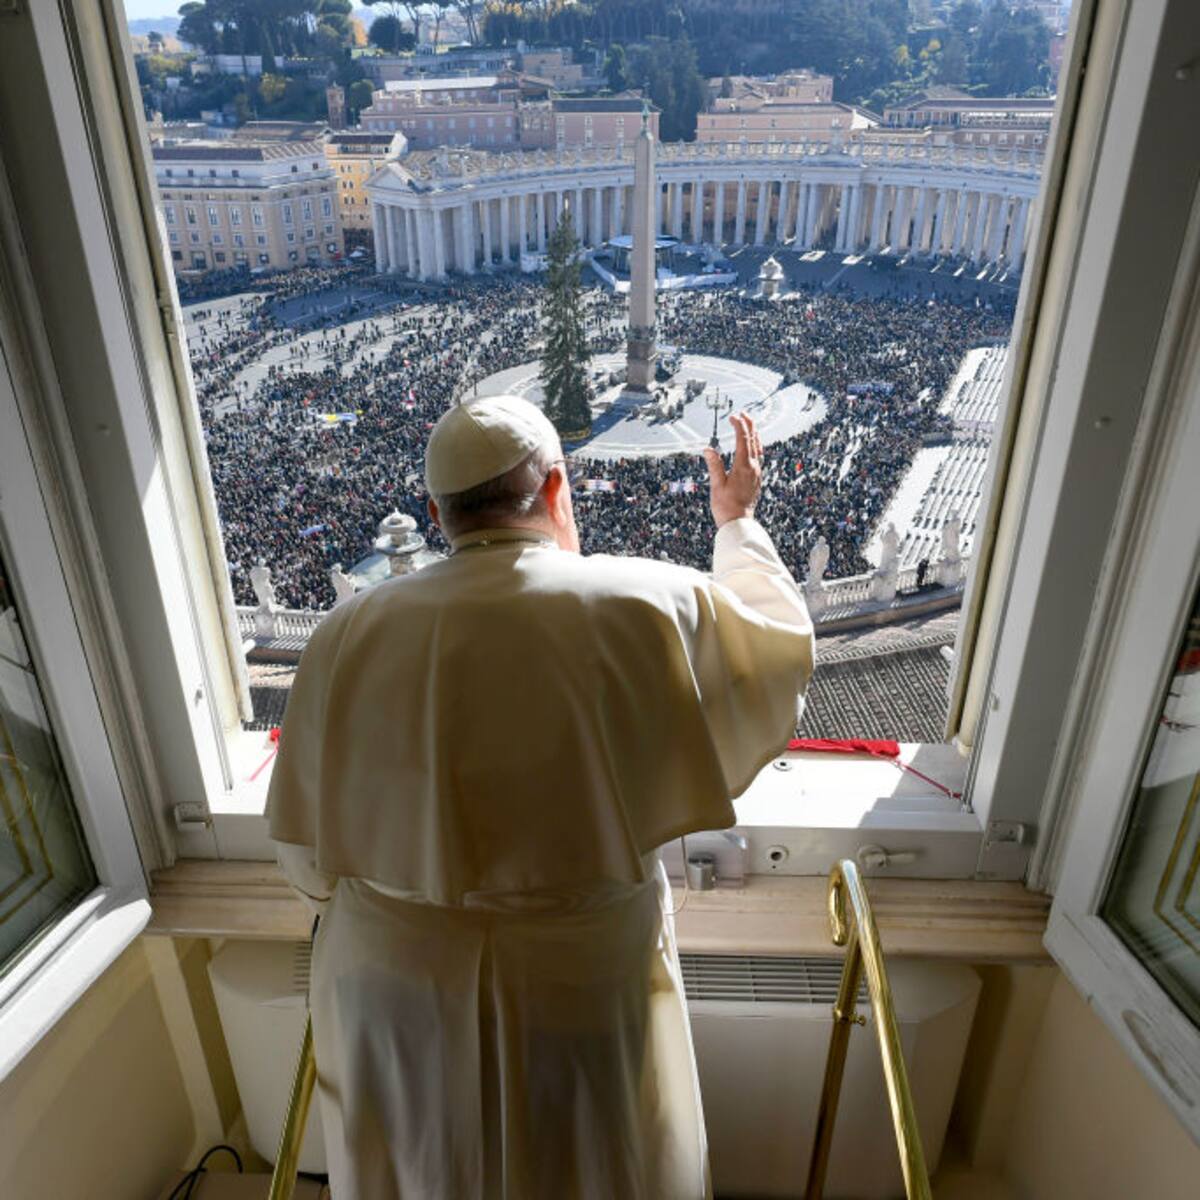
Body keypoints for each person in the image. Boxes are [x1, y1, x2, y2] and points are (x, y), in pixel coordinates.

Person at [267, 396, 815, 1199]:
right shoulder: (644, 600)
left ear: (436, 515)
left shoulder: (344, 634)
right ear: (557, 490)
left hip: (395, 984)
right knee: (589, 1167)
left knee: (424, 1172)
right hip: (580, 978)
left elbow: (306, 856)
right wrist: (735, 523)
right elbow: (781, 654)